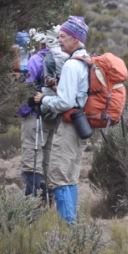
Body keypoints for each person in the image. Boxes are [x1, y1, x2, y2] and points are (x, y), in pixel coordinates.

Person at [34, 16, 89, 224]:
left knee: (58, 177)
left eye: (63, 36)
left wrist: (45, 99)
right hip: (81, 125)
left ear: (76, 38)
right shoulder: (85, 60)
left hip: (69, 126)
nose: (59, 40)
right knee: (71, 176)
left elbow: (65, 102)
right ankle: (72, 227)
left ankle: (68, 229)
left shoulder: (71, 65)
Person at [16, 30, 49, 196]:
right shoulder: (63, 59)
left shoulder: (36, 59)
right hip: (54, 116)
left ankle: (31, 202)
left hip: (34, 116)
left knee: (31, 159)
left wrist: (21, 110)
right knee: (47, 159)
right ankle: (48, 199)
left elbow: (25, 87)